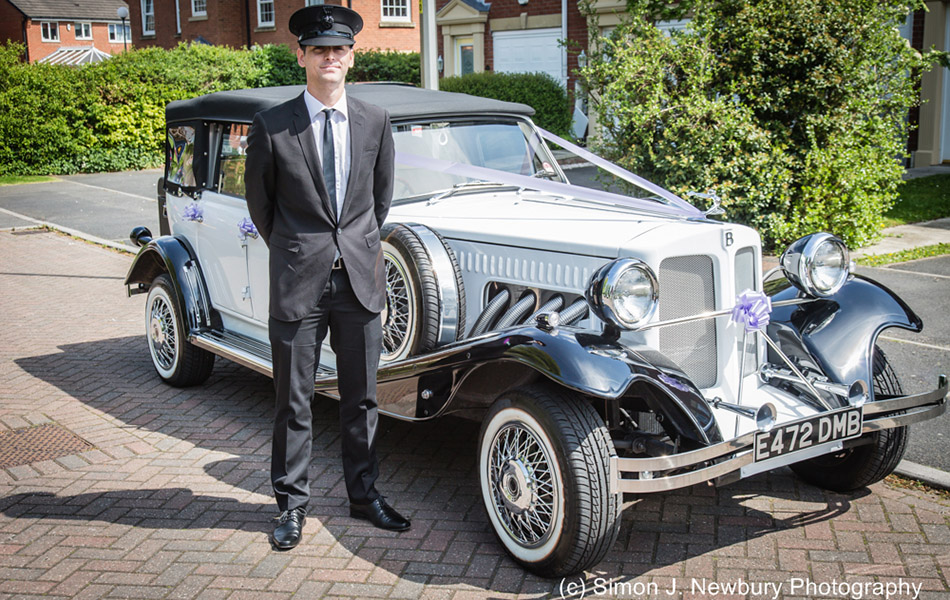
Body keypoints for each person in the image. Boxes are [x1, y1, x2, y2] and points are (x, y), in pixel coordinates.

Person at [244, 4, 409, 551]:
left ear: (352, 57)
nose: (329, 57)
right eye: (319, 50)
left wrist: (350, 248)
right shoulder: (271, 125)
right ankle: (291, 506)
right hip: (298, 281)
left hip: (359, 281)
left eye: (338, 49)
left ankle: (364, 496)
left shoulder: (375, 120)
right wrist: (301, 251)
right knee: (293, 400)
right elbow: (262, 208)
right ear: (302, 57)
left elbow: (378, 202)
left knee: (361, 398)